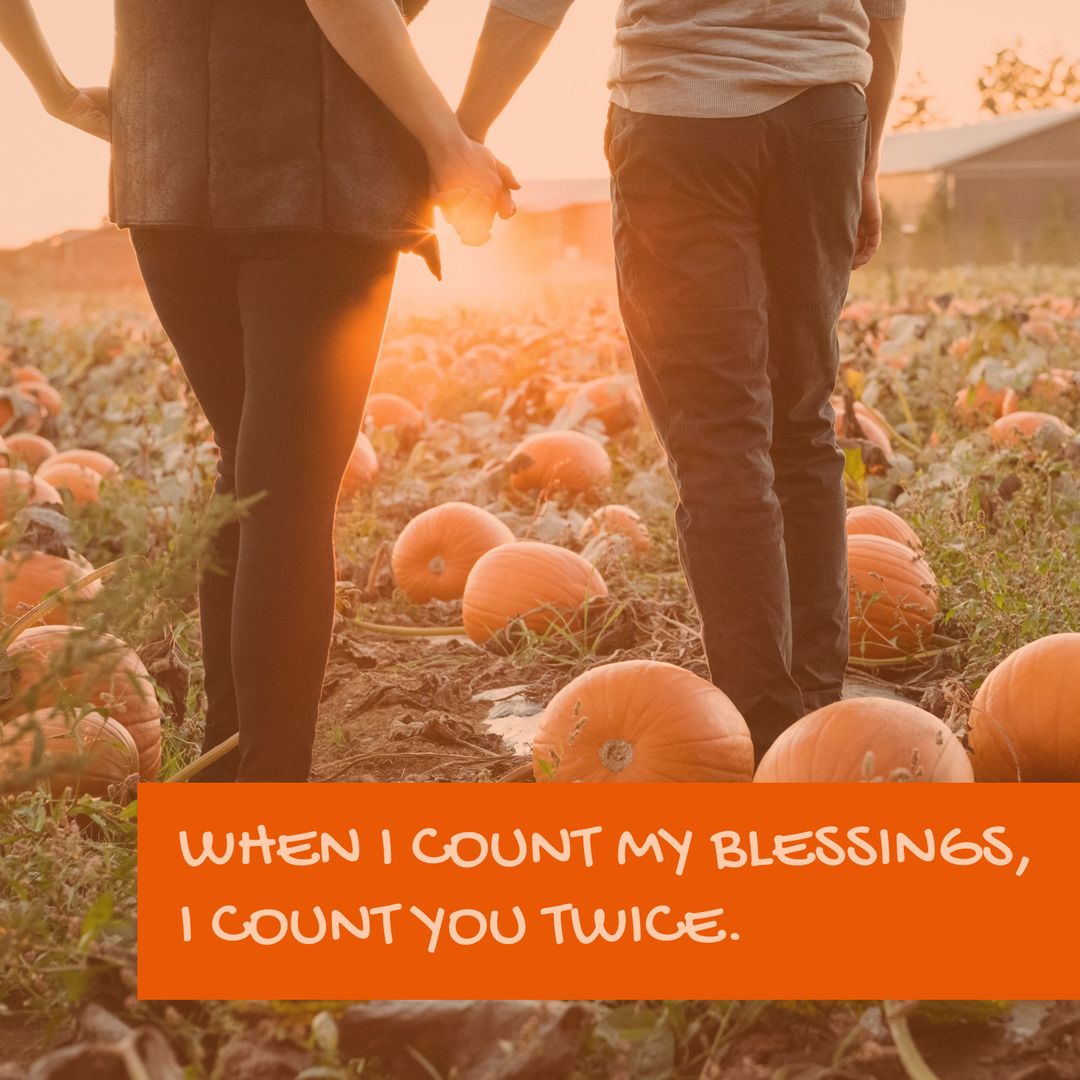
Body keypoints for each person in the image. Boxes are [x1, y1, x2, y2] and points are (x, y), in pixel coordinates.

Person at [1, 0, 515, 782]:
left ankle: (226, 765)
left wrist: (52, 89)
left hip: (165, 157)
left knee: (245, 474)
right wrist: (446, 140)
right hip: (317, 165)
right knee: (286, 494)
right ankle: (264, 799)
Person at [458, 1, 905, 760]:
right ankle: (815, 729)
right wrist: (864, 158)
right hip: (824, 114)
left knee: (719, 438)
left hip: (680, 115)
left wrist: (462, 133)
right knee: (799, 419)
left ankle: (762, 733)